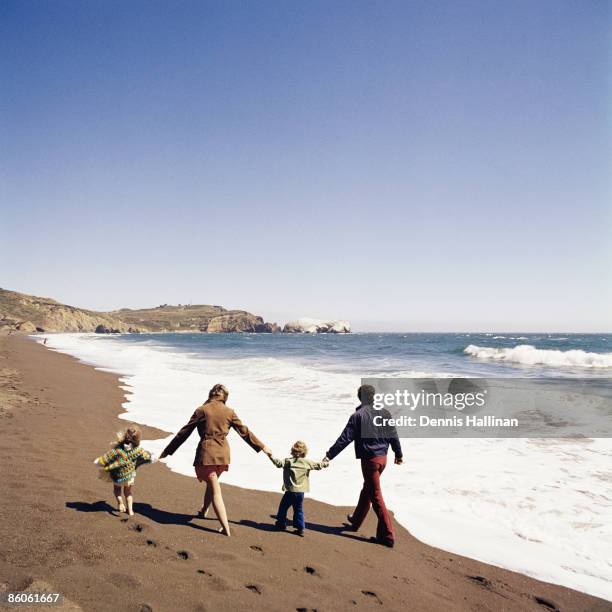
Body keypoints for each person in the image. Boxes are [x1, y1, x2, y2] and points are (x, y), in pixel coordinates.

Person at [159, 383, 270, 537]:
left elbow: (184, 432)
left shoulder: (202, 410)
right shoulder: (229, 412)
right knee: (213, 483)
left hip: (207, 455)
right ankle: (204, 510)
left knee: (216, 490)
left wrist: (168, 450)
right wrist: (263, 447)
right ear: (225, 397)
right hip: (223, 456)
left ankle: (225, 528)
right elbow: (245, 432)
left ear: (211, 394)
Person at [324, 384, 403, 548]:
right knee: (368, 488)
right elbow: (393, 435)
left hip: (370, 461)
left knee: (376, 495)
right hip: (383, 459)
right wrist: (398, 454)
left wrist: (329, 455)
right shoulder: (385, 413)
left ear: (360, 398)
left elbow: (344, 439)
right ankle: (356, 521)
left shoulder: (358, 416)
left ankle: (387, 536)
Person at [268, 440, 328, 537]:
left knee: (283, 507)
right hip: (300, 492)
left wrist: (270, 456)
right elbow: (318, 466)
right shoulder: (307, 462)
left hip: (290, 491)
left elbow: (278, 463)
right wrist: (325, 462)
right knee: (298, 509)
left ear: (293, 450)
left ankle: (281, 523)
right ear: (304, 452)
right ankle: (300, 528)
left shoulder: (288, 461)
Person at [94, 425, 156, 516]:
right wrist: (153, 457)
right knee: (128, 492)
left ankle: (120, 502)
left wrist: (99, 461)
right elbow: (147, 457)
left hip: (117, 475)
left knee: (117, 490)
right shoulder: (138, 450)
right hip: (129, 476)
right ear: (138, 439)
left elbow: (108, 457)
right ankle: (130, 510)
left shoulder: (118, 449)